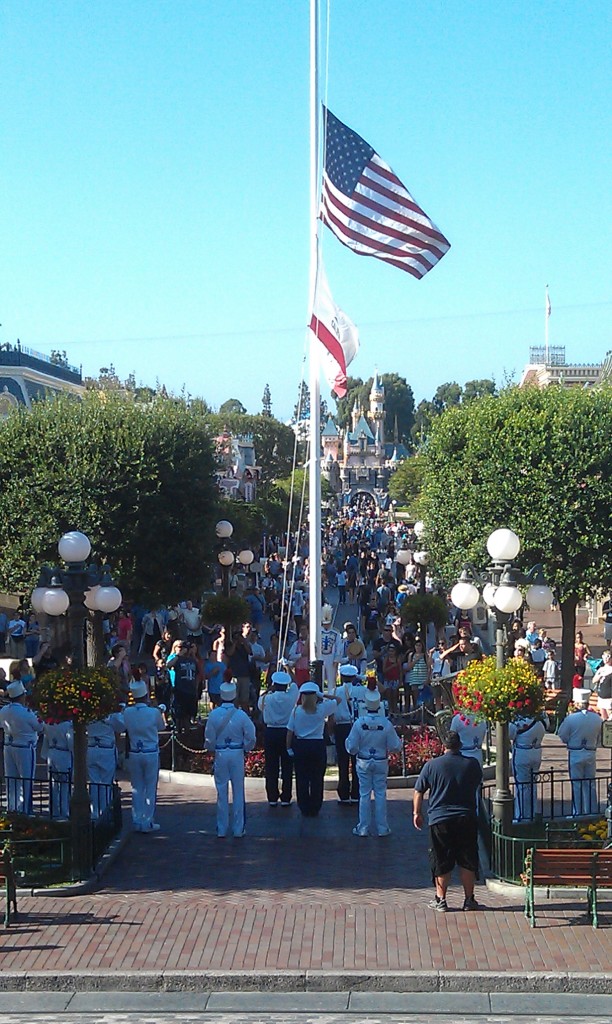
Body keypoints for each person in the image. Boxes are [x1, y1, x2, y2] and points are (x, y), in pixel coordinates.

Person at [413, 730, 483, 913]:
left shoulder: (431, 766)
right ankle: (469, 899)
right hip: (466, 817)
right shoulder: (472, 764)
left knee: (441, 859)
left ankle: (441, 899)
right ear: (459, 745)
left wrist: (416, 813)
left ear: (444, 745)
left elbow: (419, 791)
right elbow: (477, 783)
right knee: (467, 859)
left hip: (440, 818)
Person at [345, 688, 401, 837]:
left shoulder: (358, 723)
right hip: (381, 760)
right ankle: (382, 828)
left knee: (364, 794)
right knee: (381, 794)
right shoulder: (386, 724)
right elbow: (396, 746)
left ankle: (363, 827)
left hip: (363, 760)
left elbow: (351, 746)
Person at [204, 680, 256, 838]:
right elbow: (251, 736)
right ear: (234, 697)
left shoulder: (213, 715)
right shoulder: (241, 715)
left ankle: (221, 828)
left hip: (221, 753)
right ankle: (238, 829)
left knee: (221, 791)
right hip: (236, 753)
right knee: (238, 791)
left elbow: (209, 739)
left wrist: (213, 748)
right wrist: (246, 748)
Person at [286, 681, 338, 817]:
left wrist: (288, 748)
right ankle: (315, 806)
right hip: (317, 745)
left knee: (301, 777)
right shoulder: (322, 709)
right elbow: (338, 700)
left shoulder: (296, 711)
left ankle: (304, 806)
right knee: (317, 778)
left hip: (301, 745)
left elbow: (289, 732)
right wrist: (323, 695)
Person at [123, 680, 166, 832]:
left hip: (135, 752)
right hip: (150, 752)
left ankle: (137, 819)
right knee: (150, 786)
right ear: (146, 695)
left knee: (137, 787)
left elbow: (123, 727)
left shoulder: (127, 712)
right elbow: (162, 727)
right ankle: (147, 820)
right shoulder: (153, 712)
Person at [0, 680, 44, 813]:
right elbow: (39, 727)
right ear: (22, 696)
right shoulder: (26, 713)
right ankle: (26, 810)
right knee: (26, 779)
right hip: (25, 747)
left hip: (9, 746)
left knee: (11, 779)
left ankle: (12, 808)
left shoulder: (4, 710)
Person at [558, 689, 602, 816]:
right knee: (590, 783)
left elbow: (562, 735)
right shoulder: (597, 719)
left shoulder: (571, 719)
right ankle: (592, 811)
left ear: (577, 703)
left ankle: (578, 812)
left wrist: (571, 741)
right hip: (590, 752)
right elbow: (600, 737)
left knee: (576, 784)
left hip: (575, 752)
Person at [258, 670, 298, 807]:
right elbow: (295, 684)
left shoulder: (266, 698)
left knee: (271, 765)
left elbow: (260, 705)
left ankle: (272, 797)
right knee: (287, 766)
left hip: (271, 732)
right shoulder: (291, 696)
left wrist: (270, 689)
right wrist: (288, 669)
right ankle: (286, 797)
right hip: (286, 731)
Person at [330, 664, 362, 805]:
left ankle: (343, 793)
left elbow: (331, 715)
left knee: (342, 762)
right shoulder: (361, 690)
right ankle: (356, 792)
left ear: (341, 677)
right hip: (356, 726)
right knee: (356, 761)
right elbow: (381, 690)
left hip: (341, 727)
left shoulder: (335, 691)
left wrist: (330, 732)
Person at [509, 713, 548, 821]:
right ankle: (532, 813)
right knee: (532, 785)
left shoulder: (518, 718)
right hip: (536, 752)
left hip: (522, 752)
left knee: (522, 786)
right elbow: (547, 726)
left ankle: (522, 817)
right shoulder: (543, 716)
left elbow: (509, 733)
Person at [87, 707, 126, 818]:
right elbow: (122, 727)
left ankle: (94, 812)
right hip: (106, 749)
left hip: (91, 748)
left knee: (94, 782)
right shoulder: (111, 714)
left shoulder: (88, 712)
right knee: (106, 783)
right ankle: (104, 813)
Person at [42, 718, 74, 818]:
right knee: (64, 784)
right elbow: (71, 744)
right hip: (63, 754)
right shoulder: (67, 725)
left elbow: (45, 740)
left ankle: (53, 810)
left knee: (53, 784)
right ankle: (64, 812)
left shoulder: (48, 723)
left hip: (51, 753)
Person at [320, 605, 343, 692]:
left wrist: (336, 660)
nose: (326, 625)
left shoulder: (336, 633)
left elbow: (339, 647)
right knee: (320, 678)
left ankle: (332, 695)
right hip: (321, 657)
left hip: (331, 658)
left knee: (331, 679)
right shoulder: (318, 632)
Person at [593, 651, 612, 720]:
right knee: (603, 717)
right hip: (601, 696)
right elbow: (594, 680)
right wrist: (600, 675)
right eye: (605, 657)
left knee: (610, 716)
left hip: (609, 697)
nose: (606, 659)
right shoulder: (601, 669)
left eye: (608, 657)